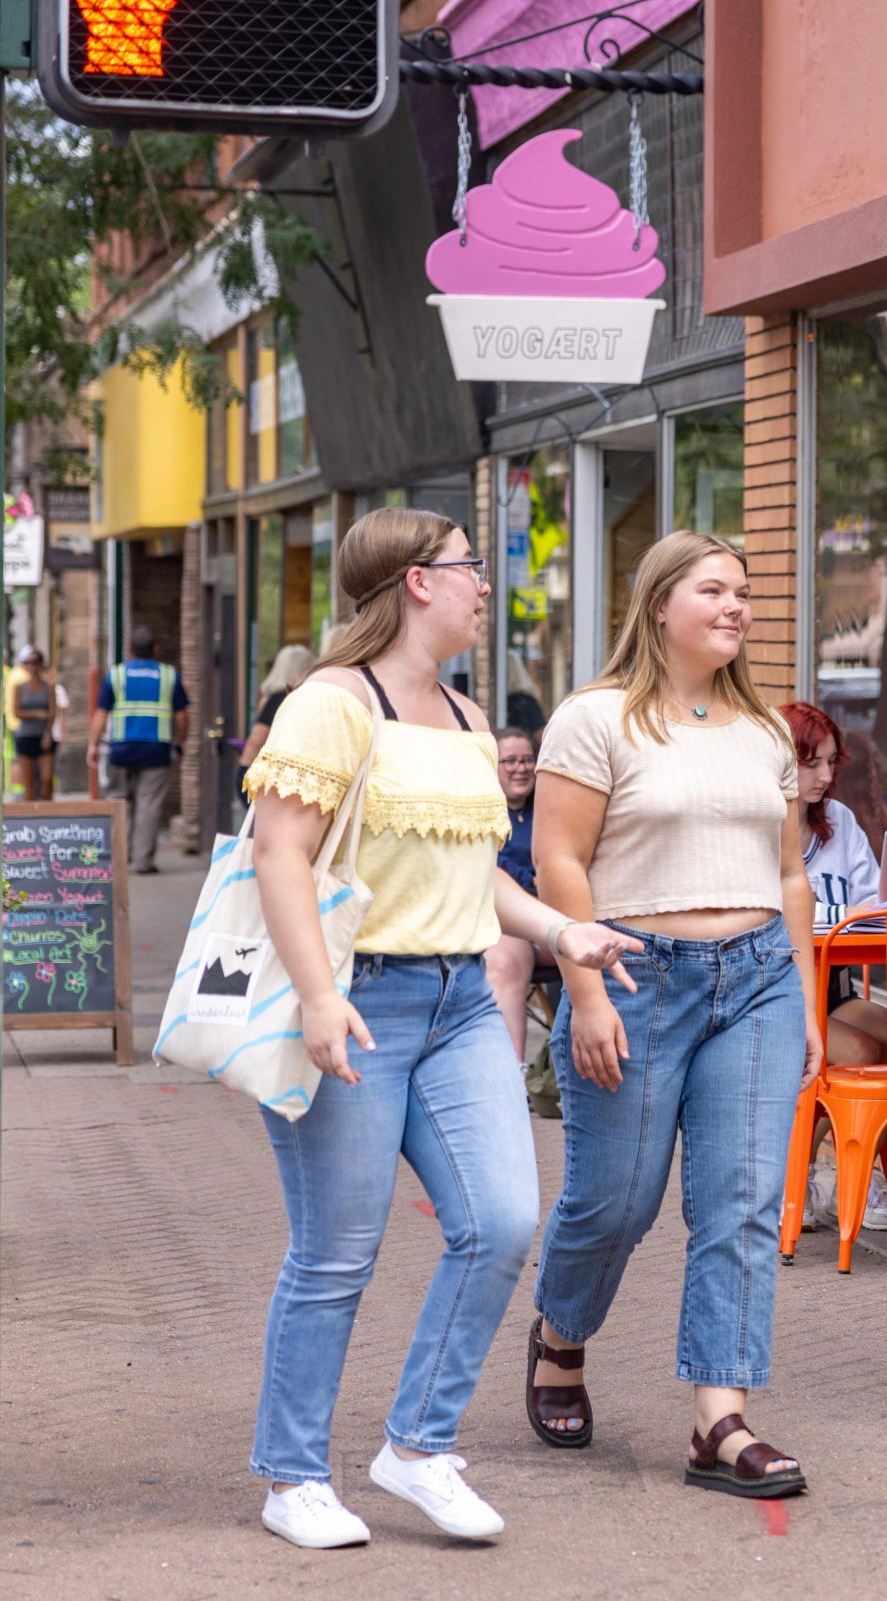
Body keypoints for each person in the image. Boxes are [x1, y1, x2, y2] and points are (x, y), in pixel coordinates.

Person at [241, 508, 641, 1550]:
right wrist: (322, 993)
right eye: (471, 564)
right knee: (336, 1250)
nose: (483, 582)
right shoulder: (330, 704)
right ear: (418, 581)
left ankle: (416, 1445)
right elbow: (278, 852)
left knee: (504, 1219)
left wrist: (565, 931)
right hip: (358, 1001)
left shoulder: (468, 719)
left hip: (463, 999)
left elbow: (476, 882)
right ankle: (292, 1474)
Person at [526, 532, 822, 1500]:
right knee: (617, 1198)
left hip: (758, 980)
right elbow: (559, 861)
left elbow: (789, 875)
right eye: (714, 590)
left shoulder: (766, 732)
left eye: (744, 591)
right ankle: (561, 1333)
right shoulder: (597, 719)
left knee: (738, 1198)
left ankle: (719, 1421)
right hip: (634, 972)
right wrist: (585, 988)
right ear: (660, 605)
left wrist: (807, 996)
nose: (737, 606)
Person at [781, 700, 887, 1233]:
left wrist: (838, 916)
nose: (826, 776)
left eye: (832, 763)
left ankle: (854, 1173)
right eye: (812, 763)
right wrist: (841, 916)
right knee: (857, 1051)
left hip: (830, 989)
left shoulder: (838, 819)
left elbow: (874, 902)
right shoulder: (755, 824)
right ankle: (810, 1176)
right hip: (772, 992)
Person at [89, 625, 189, 873]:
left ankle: (120, 858)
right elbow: (182, 714)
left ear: (129, 649)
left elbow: (101, 713)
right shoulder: (168, 675)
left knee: (118, 802)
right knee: (149, 804)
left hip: (121, 749)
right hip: (156, 749)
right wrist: (181, 741)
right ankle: (143, 861)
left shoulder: (116, 675)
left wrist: (93, 743)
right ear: (155, 649)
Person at [483, 727, 547, 1060]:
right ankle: (512, 1074)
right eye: (509, 761)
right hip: (510, 922)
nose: (520, 768)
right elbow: (491, 865)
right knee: (505, 964)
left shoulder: (549, 807)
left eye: (527, 760)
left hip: (558, 914)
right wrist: (536, 882)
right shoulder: (483, 810)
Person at [237, 644, 316, 798]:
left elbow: (255, 741)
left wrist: (243, 771)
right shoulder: (303, 698)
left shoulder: (278, 698)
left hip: (272, 776)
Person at [6, 646, 60, 801]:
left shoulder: (48, 687)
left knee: (46, 779)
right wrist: (37, 714)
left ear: (40, 663)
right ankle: (31, 817)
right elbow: (16, 712)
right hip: (25, 735)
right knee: (28, 782)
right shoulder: (19, 687)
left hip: (43, 735)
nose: (31, 665)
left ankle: (47, 813)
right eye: (27, 662)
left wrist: (48, 733)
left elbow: (52, 712)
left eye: (35, 662)